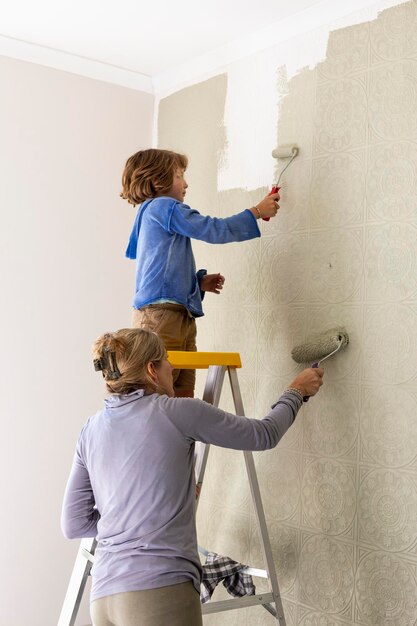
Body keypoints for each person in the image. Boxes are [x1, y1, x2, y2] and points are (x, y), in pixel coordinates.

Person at [61, 328, 324, 626]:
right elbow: (263, 435)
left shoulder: (91, 429)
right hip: (159, 591)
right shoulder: (177, 412)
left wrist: (130, 519)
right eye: (166, 361)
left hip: (104, 597)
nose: (172, 368)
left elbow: (74, 524)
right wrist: (296, 391)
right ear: (151, 370)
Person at [121, 148, 280, 398]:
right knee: (160, 397)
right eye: (178, 176)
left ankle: (183, 439)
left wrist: (196, 283)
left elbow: (159, 267)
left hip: (173, 315)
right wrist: (256, 212)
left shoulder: (150, 213)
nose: (185, 184)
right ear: (157, 180)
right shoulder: (164, 206)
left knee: (179, 396)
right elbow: (213, 229)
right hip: (161, 318)